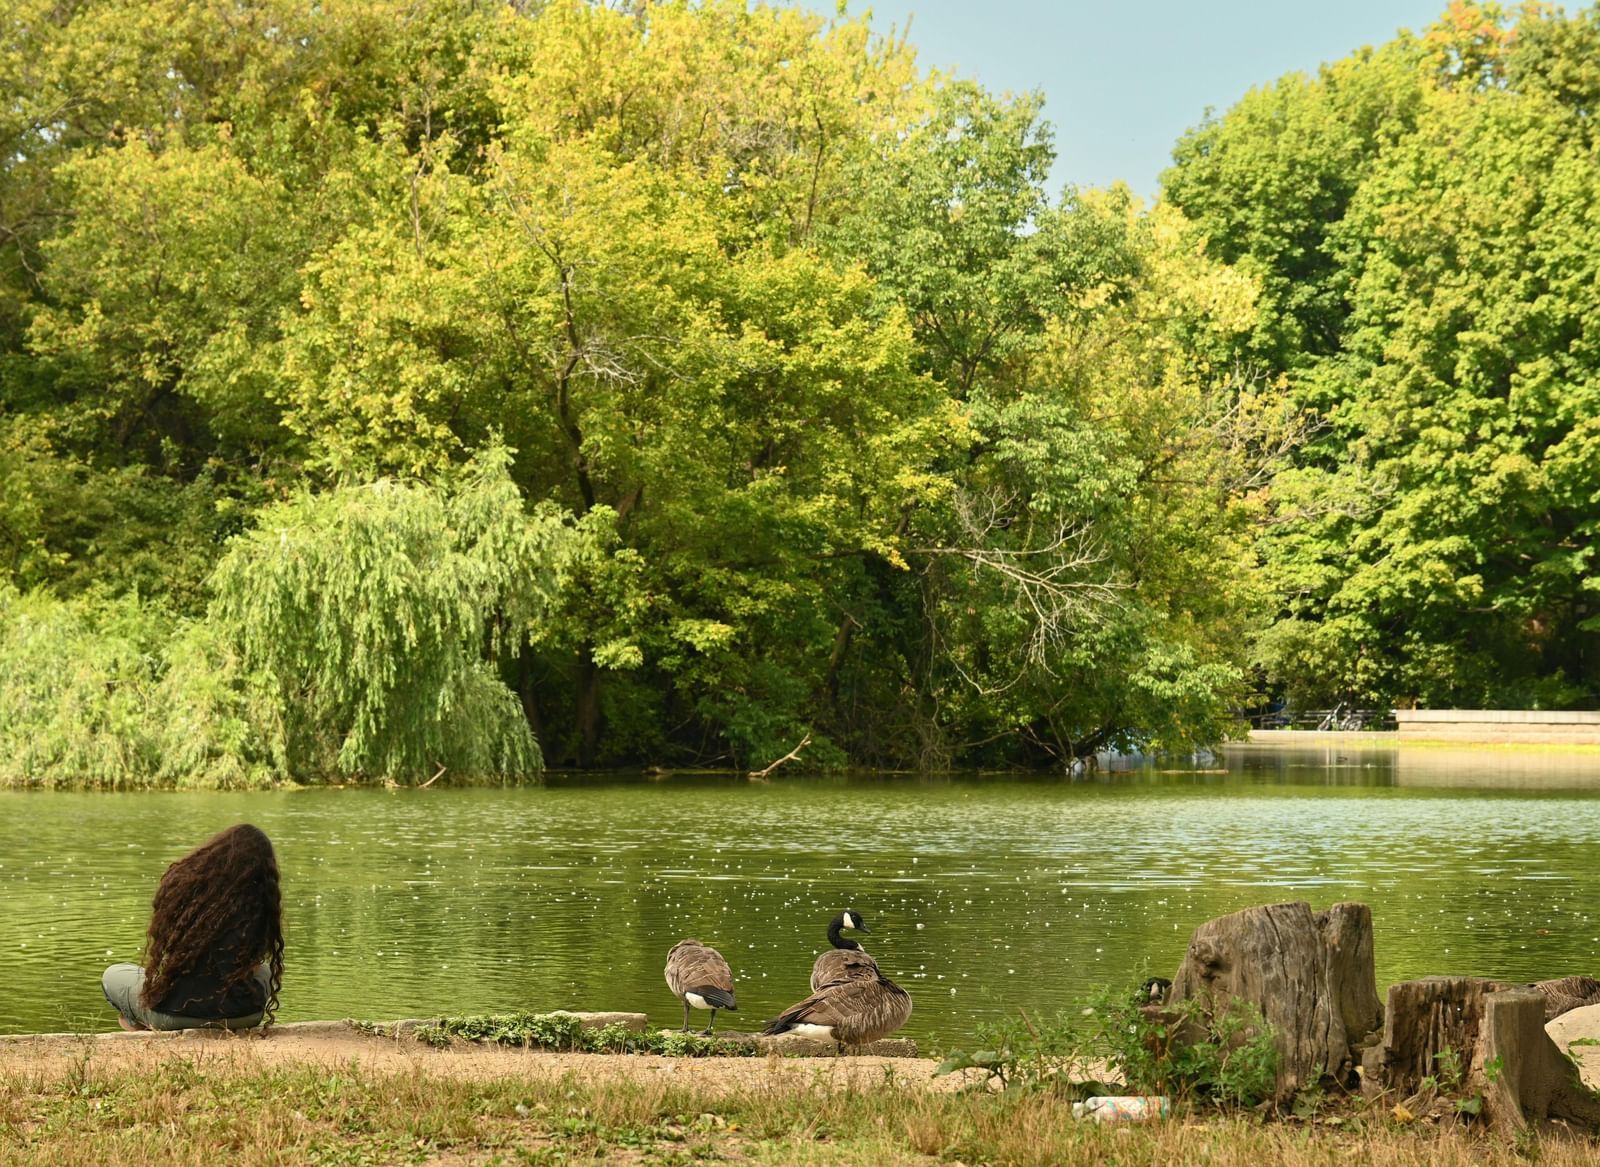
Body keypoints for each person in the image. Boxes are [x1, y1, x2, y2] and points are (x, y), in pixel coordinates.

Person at [101, 823, 285, 1031]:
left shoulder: (185, 890)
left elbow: (170, 955)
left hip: (173, 1014)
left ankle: (146, 1029)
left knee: (113, 975)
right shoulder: (261, 906)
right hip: (243, 1016)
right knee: (265, 971)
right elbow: (253, 966)